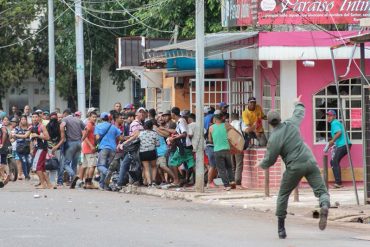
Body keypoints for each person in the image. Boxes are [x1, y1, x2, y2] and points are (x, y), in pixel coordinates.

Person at [257, 95, 330, 239]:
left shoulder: (274, 138)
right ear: (280, 119)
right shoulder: (291, 123)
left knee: (283, 195)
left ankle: (281, 229)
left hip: (294, 167)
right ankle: (325, 205)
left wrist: (261, 164)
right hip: (309, 160)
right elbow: (299, 112)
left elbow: (270, 159)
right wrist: (297, 102)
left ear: (270, 124)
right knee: (321, 190)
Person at [208, 110, 236, 191]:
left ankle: (227, 185)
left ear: (215, 118)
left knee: (221, 169)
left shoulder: (211, 127)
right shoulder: (227, 125)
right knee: (229, 167)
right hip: (227, 149)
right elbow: (234, 132)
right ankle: (232, 182)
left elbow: (210, 140)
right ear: (222, 117)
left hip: (217, 150)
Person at [94, 112, 122, 190]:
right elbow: (120, 138)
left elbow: (97, 138)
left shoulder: (98, 126)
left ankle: (108, 173)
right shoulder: (113, 127)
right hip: (113, 149)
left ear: (101, 119)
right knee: (106, 166)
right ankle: (103, 185)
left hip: (103, 148)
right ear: (109, 119)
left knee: (100, 166)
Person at [168, 107, 195, 186]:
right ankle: (191, 180)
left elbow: (184, 134)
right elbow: (178, 132)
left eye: (171, 113)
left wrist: (174, 138)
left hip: (184, 146)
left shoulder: (180, 121)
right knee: (190, 164)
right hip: (186, 145)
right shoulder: (180, 121)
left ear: (173, 114)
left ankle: (177, 180)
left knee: (172, 162)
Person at [326, 109, 351, 188]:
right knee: (333, 161)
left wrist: (332, 141)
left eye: (330, 116)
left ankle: (338, 183)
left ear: (334, 116)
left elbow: (339, 133)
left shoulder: (335, 122)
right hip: (343, 145)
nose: (328, 117)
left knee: (334, 161)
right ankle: (338, 182)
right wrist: (333, 143)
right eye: (328, 116)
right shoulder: (335, 123)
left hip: (344, 145)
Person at [60, 108, 85, 189]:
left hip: (71, 143)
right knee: (74, 164)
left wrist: (63, 136)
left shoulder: (65, 119)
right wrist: (82, 138)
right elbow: (86, 128)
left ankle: (74, 176)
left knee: (66, 164)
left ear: (65, 114)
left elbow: (62, 125)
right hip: (79, 143)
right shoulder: (78, 120)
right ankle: (72, 182)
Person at [30, 112, 52, 189]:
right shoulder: (32, 127)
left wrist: (38, 136)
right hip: (37, 148)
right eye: (33, 117)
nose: (34, 119)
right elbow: (27, 136)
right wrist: (15, 135)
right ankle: (49, 185)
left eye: (36, 117)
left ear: (39, 118)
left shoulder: (42, 126)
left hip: (41, 148)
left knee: (37, 167)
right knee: (42, 168)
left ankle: (43, 184)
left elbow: (48, 137)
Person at [46, 112, 65, 188]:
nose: (53, 119)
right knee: (50, 165)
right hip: (49, 148)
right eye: (52, 117)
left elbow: (63, 139)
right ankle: (50, 182)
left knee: (59, 165)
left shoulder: (60, 126)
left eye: (55, 117)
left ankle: (58, 181)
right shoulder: (47, 126)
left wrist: (56, 146)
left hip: (58, 148)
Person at [80, 111, 98, 189]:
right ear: (89, 117)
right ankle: (89, 183)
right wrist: (91, 146)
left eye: (95, 117)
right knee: (93, 166)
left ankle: (86, 183)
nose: (94, 118)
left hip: (86, 148)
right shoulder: (89, 125)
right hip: (89, 149)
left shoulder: (92, 125)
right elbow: (85, 136)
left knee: (88, 166)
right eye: (93, 117)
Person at [230, 113, 247, 187]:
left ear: (231, 118)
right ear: (238, 117)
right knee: (239, 164)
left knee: (232, 165)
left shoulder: (229, 125)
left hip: (230, 146)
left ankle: (232, 181)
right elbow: (246, 130)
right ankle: (238, 182)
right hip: (238, 145)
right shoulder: (241, 123)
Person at [13, 115, 32, 180]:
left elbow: (25, 136)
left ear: (26, 120)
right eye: (22, 119)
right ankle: (26, 175)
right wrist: (13, 135)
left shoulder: (29, 128)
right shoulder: (17, 128)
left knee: (29, 162)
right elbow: (13, 137)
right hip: (20, 147)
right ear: (20, 121)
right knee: (23, 161)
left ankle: (27, 173)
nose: (23, 120)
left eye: (25, 119)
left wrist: (16, 135)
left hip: (27, 147)